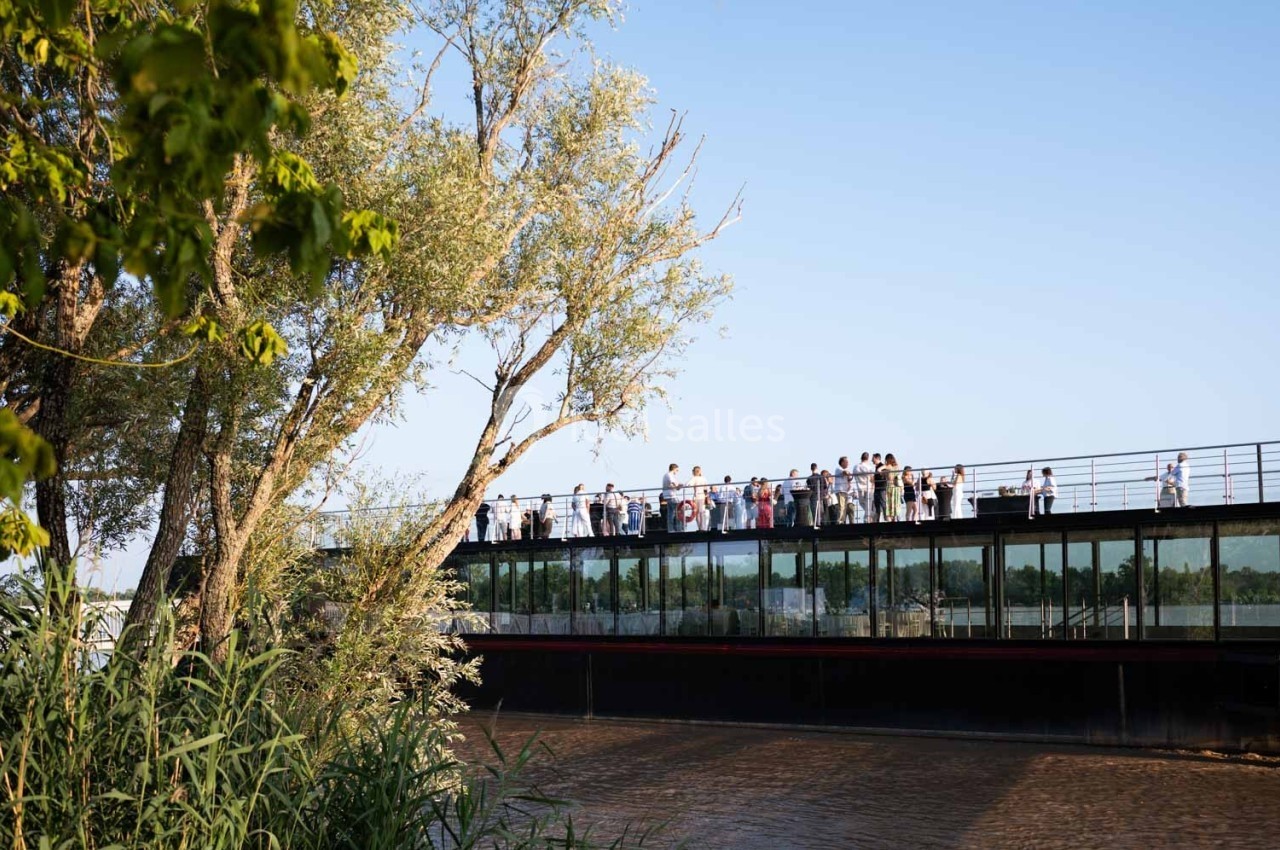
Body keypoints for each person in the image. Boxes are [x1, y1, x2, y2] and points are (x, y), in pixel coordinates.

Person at [854, 452, 875, 523]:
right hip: (869, 487)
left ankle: (869, 516)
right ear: (868, 458)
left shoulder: (856, 466)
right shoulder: (868, 467)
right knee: (868, 504)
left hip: (860, 488)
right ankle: (871, 515)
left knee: (862, 503)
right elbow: (872, 478)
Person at [688, 465, 709, 531]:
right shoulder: (704, 478)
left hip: (696, 497)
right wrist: (706, 496)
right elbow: (706, 489)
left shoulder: (694, 478)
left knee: (697, 513)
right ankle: (703, 527)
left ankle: (700, 528)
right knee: (702, 512)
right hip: (702, 496)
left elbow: (688, 484)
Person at [882, 454, 902, 522]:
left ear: (887, 459)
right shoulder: (897, 467)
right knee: (895, 505)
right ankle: (895, 520)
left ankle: (890, 521)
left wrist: (884, 467)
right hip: (896, 487)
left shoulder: (888, 467)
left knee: (889, 506)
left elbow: (879, 471)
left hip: (890, 487)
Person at [662, 463, 681, 532]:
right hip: (671, 495)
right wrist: (679, 486)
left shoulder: (666, 475)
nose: (677, 472)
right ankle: (677, 529)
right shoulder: (670, 475)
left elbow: (673, 485)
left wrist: (677, 486)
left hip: (667, 495)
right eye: (677, 470)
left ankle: (670, 530)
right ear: (674, 469)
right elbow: (674, 483)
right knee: (677, 512)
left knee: (670, 513)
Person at [834, 456, 853, 523]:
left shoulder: (845, 469)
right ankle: (839, 521)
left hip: (845, 491)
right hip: (840, 490)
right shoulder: (838, 469)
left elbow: (850, 478)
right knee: (841, 507)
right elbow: (846, 473)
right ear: (842, 462)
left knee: (844, 508)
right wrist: (849, 474)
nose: (848, 463)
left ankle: (843, 521)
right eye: (846, 462)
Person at [872, 454, 887, 522]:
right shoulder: (876, 467)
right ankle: (877, 520)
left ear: (876, 458)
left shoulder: (882, 466)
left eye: (873, 458)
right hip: (877, 488)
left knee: (883, 504)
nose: (872, 460)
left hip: (882, 488)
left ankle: (886, 519)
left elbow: (884, 475)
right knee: (877, 505)